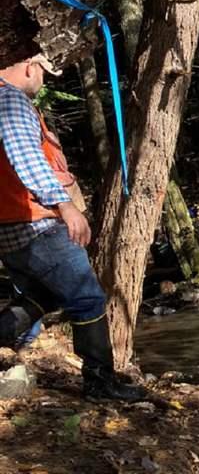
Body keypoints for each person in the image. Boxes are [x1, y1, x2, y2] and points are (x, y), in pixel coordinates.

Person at [0, 55, 144, 401]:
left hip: (12, 226)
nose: (43, 83)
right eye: (44, 75)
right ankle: (100, 382)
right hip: (35, 223)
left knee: (44, 295)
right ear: (29, 68)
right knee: (88, 298)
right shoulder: (9, 101)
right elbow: (27, 158)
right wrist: (63, 205)